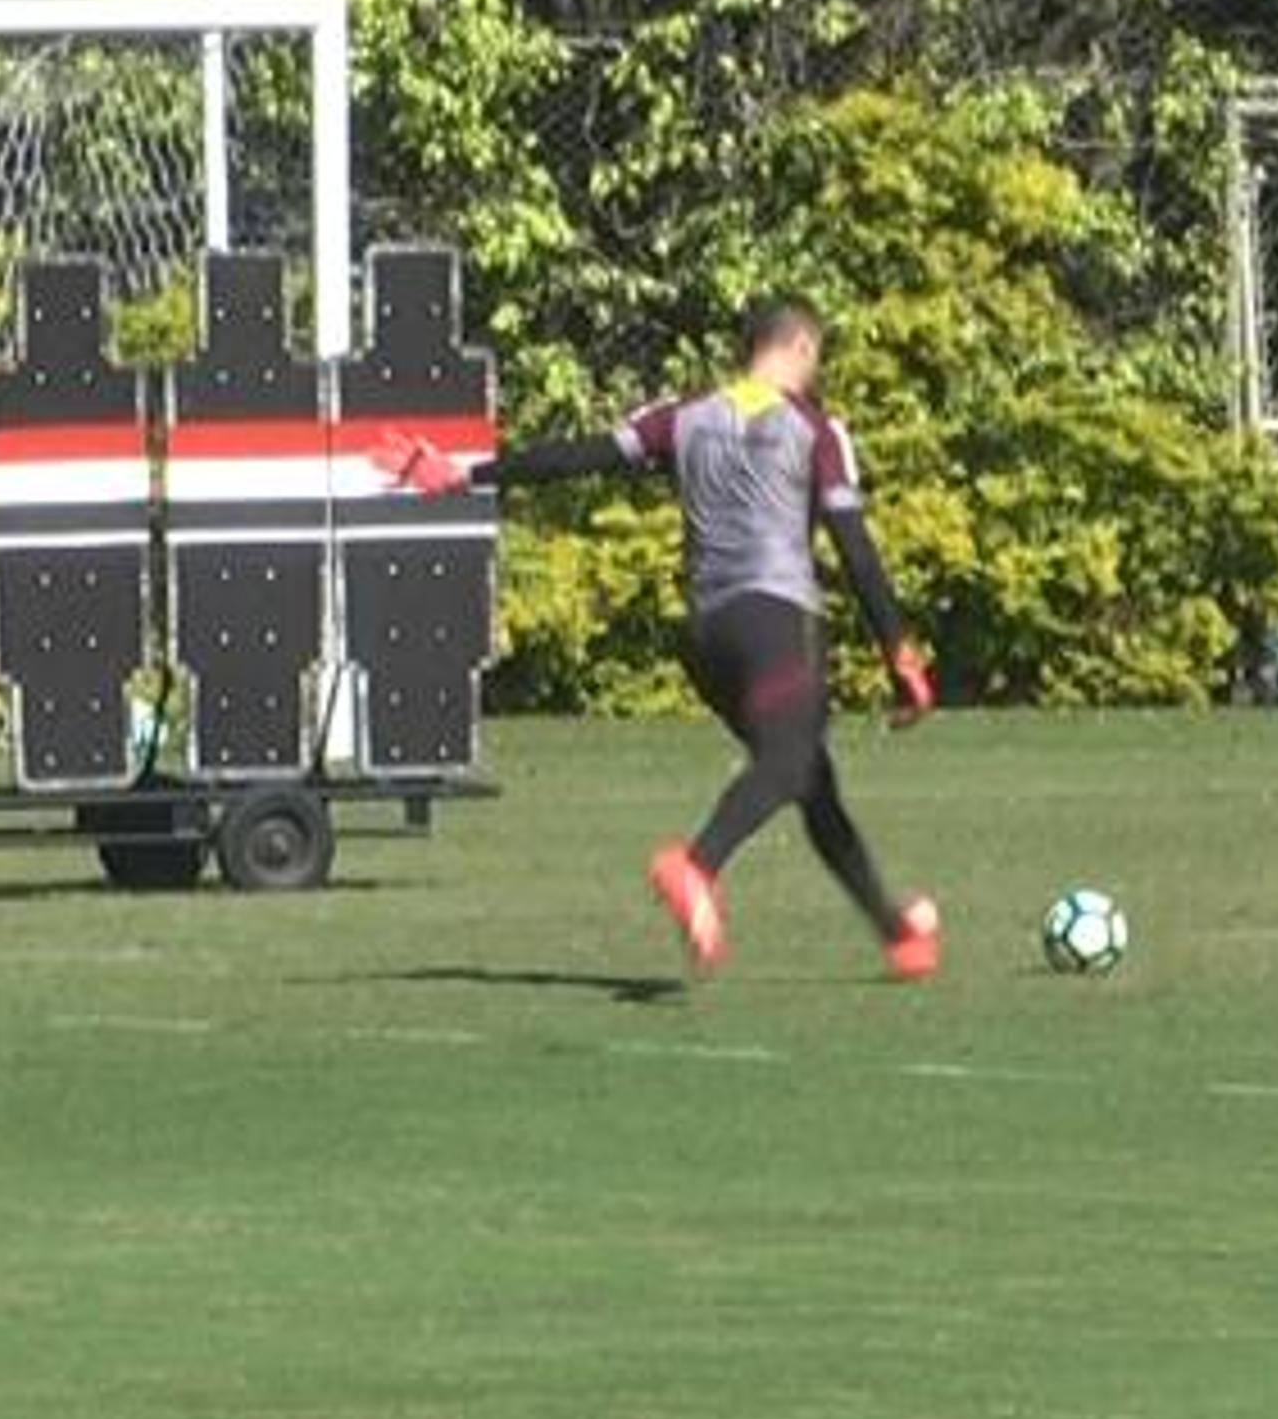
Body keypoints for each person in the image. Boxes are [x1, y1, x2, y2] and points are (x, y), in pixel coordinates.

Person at [385, 296, 940, 981]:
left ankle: (897, 933)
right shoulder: (817, 430)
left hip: (709, 637)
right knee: (792, 760)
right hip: (776, 620)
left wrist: (467, 474)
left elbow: (579, 456)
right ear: (800, 348)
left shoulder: (682, 417)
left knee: (806, 777)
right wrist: (901, 653)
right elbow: (853, 546)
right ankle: (696, 866)